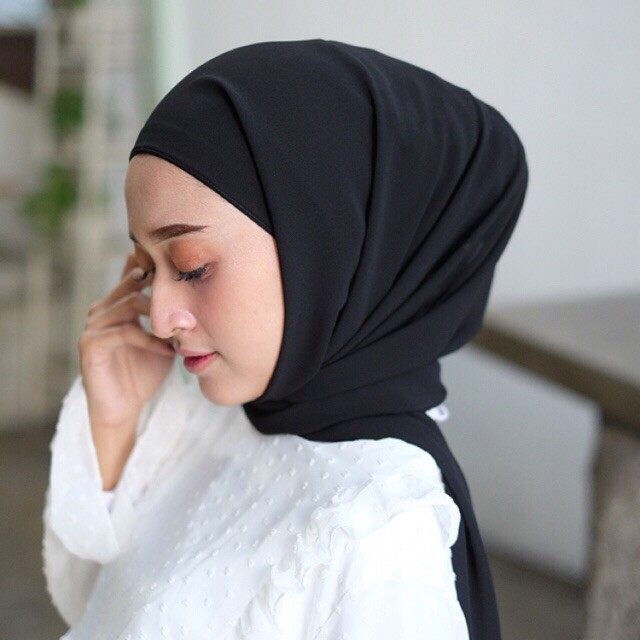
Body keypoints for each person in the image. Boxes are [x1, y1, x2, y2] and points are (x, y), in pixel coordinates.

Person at [42, 38, 528, 639]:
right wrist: (114, 426)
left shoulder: (382, 538)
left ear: (326, 247)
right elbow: (102, 609)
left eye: (191, 266)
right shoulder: (222, 415)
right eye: (145, 268)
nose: (160, 318)